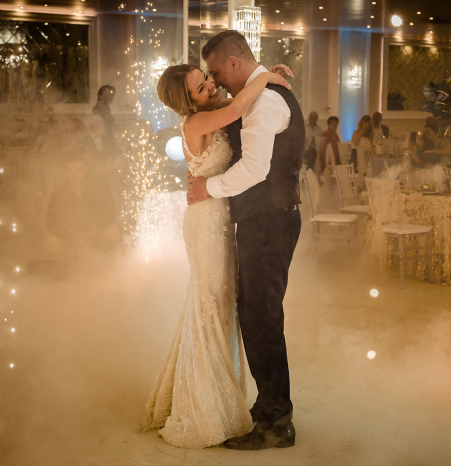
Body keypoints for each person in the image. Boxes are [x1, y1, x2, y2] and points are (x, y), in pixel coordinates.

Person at [140, 41, 295, 449]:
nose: (212, 85)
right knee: (211, 304)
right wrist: (263, 75)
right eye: (201, 85)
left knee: (229, 306)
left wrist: (264, 74)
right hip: (207, 219)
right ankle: (204, 403)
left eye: (209, 77)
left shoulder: (214, 112)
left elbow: (240, 98)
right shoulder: (198, 123)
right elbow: (242, 103)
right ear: (186, 101)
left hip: (227, 217)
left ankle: (240, 405)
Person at [186, 30, 302, 451]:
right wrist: (265, 76)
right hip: (264, 219)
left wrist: (208, 189)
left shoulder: (264, 101)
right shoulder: (260, 94)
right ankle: (268, 408)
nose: (216, 81)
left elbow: (254, 169)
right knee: (255, 314)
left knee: (262, 318)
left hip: (268, 221)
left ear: (233, 63)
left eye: (216, 72)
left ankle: (276, 422)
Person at [45, 151, 120, 255]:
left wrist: (96, 224)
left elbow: (111, 211)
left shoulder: (99, 184)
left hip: (95, 235)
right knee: (51, 242)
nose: (74, 175)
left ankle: (100, 256)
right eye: (70, 171)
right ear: (66, 172)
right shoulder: (59, 191)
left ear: (85, 169)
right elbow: (51, 220)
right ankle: (72, 260)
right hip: (71, 239)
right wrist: (69, 235)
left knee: (113, 231)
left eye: (78, 170)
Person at [92, 85, 116, 156]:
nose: (113, 97)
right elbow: (98, 121)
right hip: (103, 139)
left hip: (108, 137)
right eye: (111, 95)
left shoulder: (106, 107)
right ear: (104, 95)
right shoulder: (98, 108)